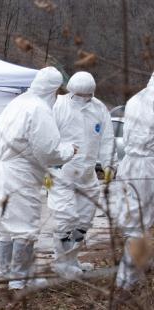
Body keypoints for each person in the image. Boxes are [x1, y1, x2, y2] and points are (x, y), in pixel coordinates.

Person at [0, 67, 77, 290]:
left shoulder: (19, 102)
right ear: (54, 90)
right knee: (24, 227)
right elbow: (48, 151)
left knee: (5, 227)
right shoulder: (39, 109)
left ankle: (7, 273)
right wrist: (68, 151)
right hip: (18, 175)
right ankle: (21, 278)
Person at [47, 71, 117, 279]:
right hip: (62, 174)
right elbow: (47, 139)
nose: (84, 99)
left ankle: (72, 259)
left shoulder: (99, 109)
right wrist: (46, 169)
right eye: (80, 94)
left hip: (87, 175)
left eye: (88, 95)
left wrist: (109, 164)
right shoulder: (58, 106)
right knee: (65, 219)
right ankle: (61, 262)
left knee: (84, 221)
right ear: (71, 91)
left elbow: (106, 138)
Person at [114, 73, 154, 289]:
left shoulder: (136, 99)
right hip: (148, 166)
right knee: (139, 224)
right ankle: (127, 279)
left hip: (130, 163)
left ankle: (140, 265)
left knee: (136, 221)